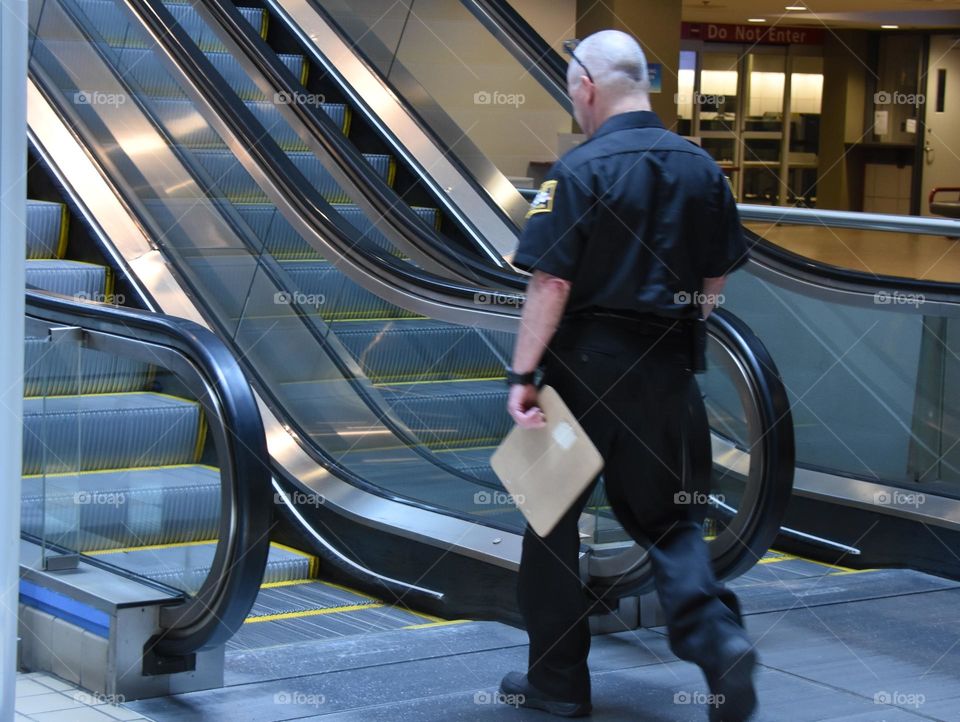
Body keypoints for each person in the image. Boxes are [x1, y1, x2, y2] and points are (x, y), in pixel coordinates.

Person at [498, 29, 755, 721]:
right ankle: (719, 639)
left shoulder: (578, 171)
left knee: (548, 519)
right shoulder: (701, 169)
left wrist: (523, 373)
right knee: (671, 523)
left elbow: (549, 282)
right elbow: (713, 277)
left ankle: (556, 685)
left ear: (586, 86)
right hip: (667, 367)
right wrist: (681, 331)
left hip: (579, 368)